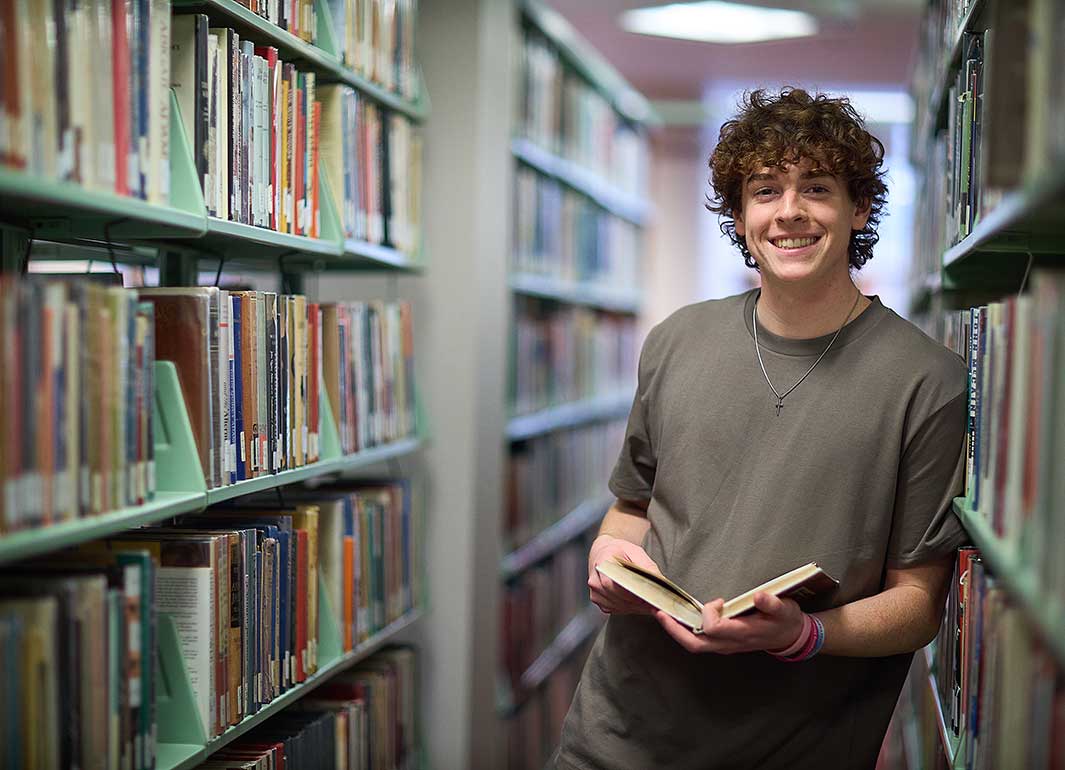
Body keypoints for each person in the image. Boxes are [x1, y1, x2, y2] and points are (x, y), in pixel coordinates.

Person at [553, 87, 968, 770]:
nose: (789, 212)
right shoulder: (676, 339)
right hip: (613, 736)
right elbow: (630, 507)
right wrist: (608, 561)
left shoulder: (927, 381)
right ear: (740, 217)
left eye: (816, 188)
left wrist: (803, 633)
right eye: (765, 190)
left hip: (793, 746)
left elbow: (917, 604)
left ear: (858, 207)